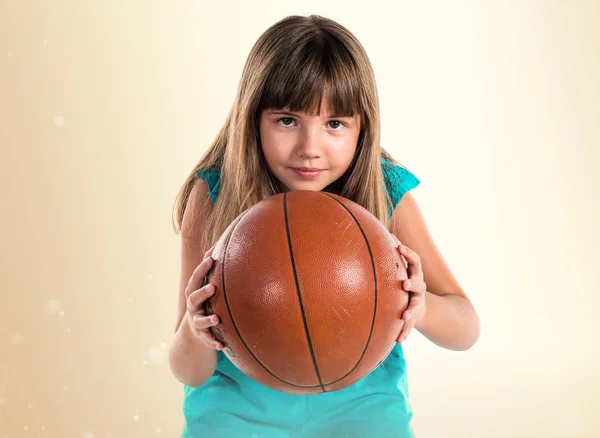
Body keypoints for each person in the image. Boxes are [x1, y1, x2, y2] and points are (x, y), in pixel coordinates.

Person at [169, 14, 480, 438]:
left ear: (361, 129)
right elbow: (187, 369)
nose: (310, 148)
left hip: (363, 411)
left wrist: (420, 307)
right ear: (252, 119)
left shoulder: (385, 192)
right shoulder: (215, 194)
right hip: (234, 416)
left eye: (334, 124)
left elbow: (466, 329)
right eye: (286, 120)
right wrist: (195, 325)